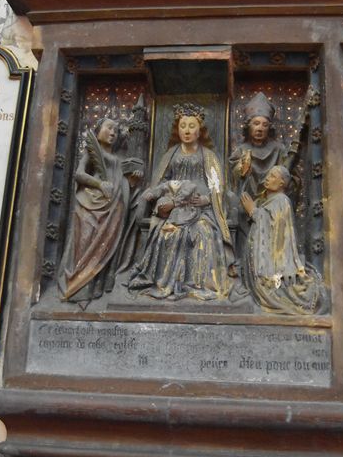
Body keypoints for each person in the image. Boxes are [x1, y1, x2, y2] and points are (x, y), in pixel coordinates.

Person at [128, 103, 234, 300]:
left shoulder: (208, 156)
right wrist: (160, 195)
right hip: (176, 206)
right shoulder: (171, 154)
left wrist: (206, 199)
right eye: (183, 125)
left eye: (192, 126)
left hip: (202, 209)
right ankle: (166, 282)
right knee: (169, 233)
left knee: (204, 233)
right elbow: (163, 180)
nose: (187, 130)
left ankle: (196, 283)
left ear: (200, 130)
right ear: (177, 128)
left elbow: (218, 187)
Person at [58, 117, 140, 302]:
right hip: (92, 205)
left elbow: (121, 182)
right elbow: (79, 174)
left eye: (116, 131)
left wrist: (131, 182)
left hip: (115, 208)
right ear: (98, 130)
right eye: (109, 128)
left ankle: (96, 288)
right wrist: (99, 184)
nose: (113, 133)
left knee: (107, 247)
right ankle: (77, 286)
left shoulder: (119, 160)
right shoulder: (92, 152)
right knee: (86, 243)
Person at [241, 165, 328, 315]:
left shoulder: (281, 201)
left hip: (272, 266)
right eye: (268, 174)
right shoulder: (270, 201)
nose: (268, 178)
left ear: (282, 183)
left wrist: (253, 211)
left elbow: (277, 230)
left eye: (273, 176)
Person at [229, 91, 287, 200]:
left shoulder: (279, 149)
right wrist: (242, 168)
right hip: (246, 201)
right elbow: (233, 179)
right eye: (256, 124)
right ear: (248, 125)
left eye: (265, 125)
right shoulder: (241, 150)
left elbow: (287, 177)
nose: (260, 129)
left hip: (272, 200)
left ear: (269, 128)